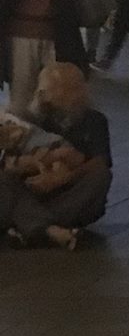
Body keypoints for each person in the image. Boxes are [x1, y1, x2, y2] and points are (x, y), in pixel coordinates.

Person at [0, 63, 112, 248]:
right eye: (67, 90)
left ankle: (28, 225)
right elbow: (8, 163)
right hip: (27, 191)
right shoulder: (24, 119)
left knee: (101, 177)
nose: (79, 94)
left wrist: (64, 177)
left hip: (66, 195)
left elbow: (101, 162)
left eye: (79, 87)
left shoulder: (95, 120)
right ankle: (48, 228)